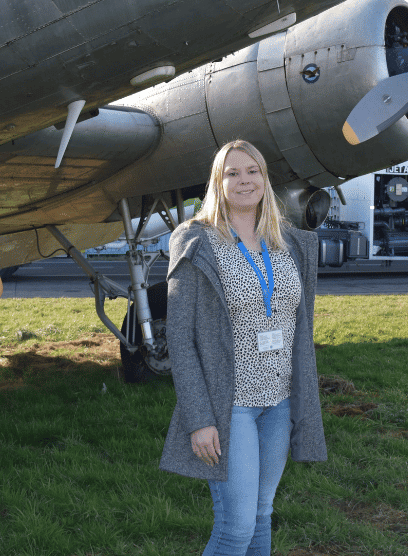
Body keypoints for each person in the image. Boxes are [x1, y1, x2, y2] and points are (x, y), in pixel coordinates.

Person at [160, 139, 327, 555]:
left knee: (261, 515)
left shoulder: (289, 243)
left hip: (280, 403)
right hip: (230, 406)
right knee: (235, 528)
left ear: (265, 180)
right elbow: (179, 339)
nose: (244, 180)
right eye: (232, 173)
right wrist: (200, 418)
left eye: (252, 171)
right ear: (217, 183)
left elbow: (297, 326)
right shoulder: (198, 243)